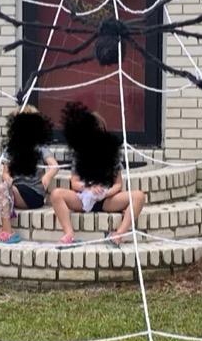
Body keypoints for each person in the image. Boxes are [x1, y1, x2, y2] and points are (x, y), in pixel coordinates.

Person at [51, 102, 146, 246]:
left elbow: (118, 184)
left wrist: (105, 193)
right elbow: (74, 183)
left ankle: (119, 234)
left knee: (139, 196)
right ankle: (69, 233)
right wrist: (88, 189)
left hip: (107, 200)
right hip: (84, 199)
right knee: (56, 194)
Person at [0, 107, 57, 244]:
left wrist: (48, 176)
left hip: (33, 193)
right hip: (14, 190)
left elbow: (54, 165)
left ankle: (7, 231)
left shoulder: (39, 146)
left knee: (3, 189)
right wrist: (7, 178)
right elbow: (6, 172)